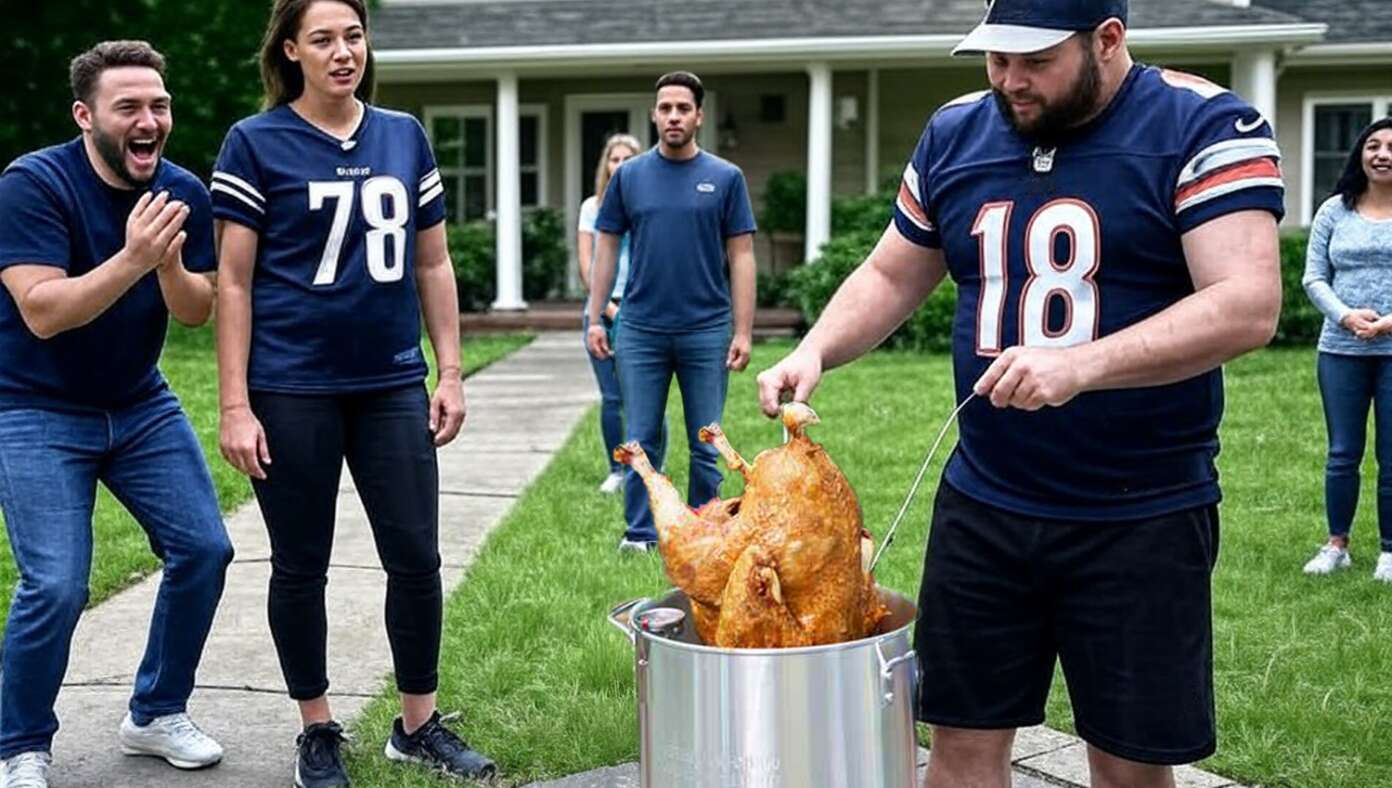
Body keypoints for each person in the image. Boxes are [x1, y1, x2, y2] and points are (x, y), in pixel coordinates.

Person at [757, 2, 1283, 786]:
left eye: (1034, 60)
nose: (1009, 80)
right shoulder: (958, 132)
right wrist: (816, 349)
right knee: (960, 747)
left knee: (1129, 765)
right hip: (987, 500)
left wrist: (1081, 365)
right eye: (996, 59)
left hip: (1140, 511)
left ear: (1108, 40)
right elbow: (893, 272)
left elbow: (1248, 303)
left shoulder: (1202, 125)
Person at [211, 1, 494, 785]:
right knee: (300, 565)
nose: (344, 53)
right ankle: (317, 727)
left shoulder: (404, 134)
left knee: (416, 558)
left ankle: (417, 724)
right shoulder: (254, 142)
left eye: (355, 36)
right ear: (293, 50)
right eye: (325, 39)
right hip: (291, 386)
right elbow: (232, 282)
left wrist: (452, 370)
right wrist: (234, 404)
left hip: (391, 384)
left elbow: (433, 264)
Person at [0, 40, 233, 788]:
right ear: (85, 115)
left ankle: (156, 712)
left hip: (139, 404)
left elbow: (197, 310)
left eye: (158, 105)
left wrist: (167, 263)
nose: (149, 119)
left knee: (204, 550)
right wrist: (134, 257)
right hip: (33, 408)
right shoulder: (31, 185)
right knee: (58, 585)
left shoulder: (181, 191)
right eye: (128, 106)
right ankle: (19, 745)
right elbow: (41, 311)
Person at [586, 71, 758, 553]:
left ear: (699, 115)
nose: (674, 116)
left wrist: (742, 330)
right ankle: (640, 533)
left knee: (707, 443)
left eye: (683, 108)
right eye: (665, 108)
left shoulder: (725, 178)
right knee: (641, 438)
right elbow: (605, 247)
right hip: (640, 328)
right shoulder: (630, 177)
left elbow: (742, 256)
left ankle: (705, 533)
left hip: (706, 329)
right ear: (654, 114)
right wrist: (597, 316)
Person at [1301, 117, 1392, 582]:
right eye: (1373, 144)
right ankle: (1337, 544)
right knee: (1342, 453)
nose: (1382, 154)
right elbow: (1314, 277)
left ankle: (1390, 552)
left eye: (1391, 147)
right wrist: (1345, 316)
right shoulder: (1334, 211)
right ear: (1360, 153)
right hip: (1340, 348)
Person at [577, 133, 642, 495]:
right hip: (602, 310)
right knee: (613, 397)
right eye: (614, 159)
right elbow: (588, 267)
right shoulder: (592, 208)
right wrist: (609, 309)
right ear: (606, 165)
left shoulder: (647, 206)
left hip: (642, 308)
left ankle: (651, 465)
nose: (619, 166)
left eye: (627, 159)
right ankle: (617, 469)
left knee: (646, 395)